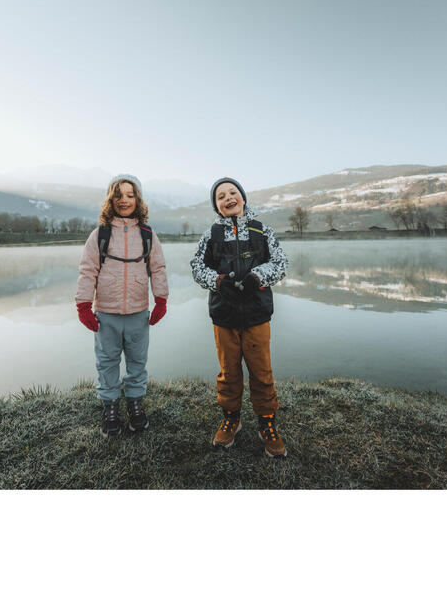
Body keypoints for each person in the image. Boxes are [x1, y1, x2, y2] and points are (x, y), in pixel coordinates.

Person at [190, 177, 289, 457]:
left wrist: (257, 276)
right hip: (224, 315)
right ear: (217, 206)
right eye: (221, 196)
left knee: (261, 372)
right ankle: (231, 418)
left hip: (257, 314)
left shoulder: (262, 231)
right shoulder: (211, 235)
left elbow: (281, 263)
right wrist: (218, 282)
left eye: (233, 192)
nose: (228, 197)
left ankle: (267, 423)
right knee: (228, 372)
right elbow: (197, 267)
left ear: (243, 198)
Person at [75, 174, 169, 438]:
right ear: (110, 200)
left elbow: (158, 268)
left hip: (139, 311)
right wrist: (83, 305)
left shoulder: (148, 235)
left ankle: (135, 405)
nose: (124, 200)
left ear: (137, 200)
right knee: (107, 362)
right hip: (106, 313)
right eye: (119, 195)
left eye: (130, 195)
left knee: (138, 362)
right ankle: (111, 407)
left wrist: (161, 299)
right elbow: (87, 271)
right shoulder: (100, 235)